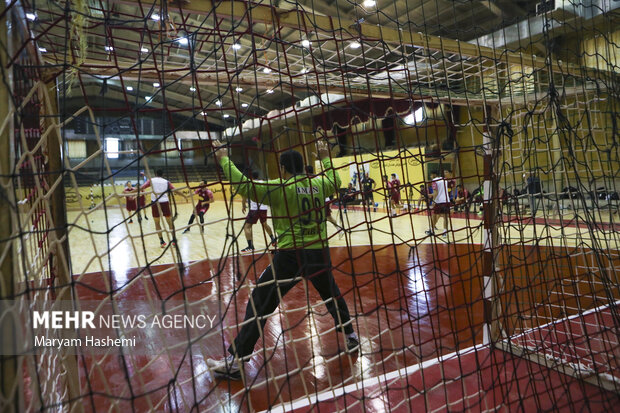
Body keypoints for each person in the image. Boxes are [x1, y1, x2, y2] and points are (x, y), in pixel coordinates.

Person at [207, 140, 358, 379]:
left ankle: (236, 363)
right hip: (319, 252)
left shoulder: (280, 187)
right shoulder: (319, 184)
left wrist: (224, 158)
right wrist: (325, 156)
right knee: (331, 293)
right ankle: (350, 336)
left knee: (260, 301)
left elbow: (244, 187)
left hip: (291, 255)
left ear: (284, 168)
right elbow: (336, 181)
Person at [140, 169, 176, 247]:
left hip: (155, 203)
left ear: (155, 174)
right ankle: (173, 240)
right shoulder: (166, 182)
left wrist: (130, 193)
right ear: (163, 174)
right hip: (165, 202)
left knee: (157, 222)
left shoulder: (151, 180)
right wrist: (185, 195)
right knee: (169, 222)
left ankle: (162, 241)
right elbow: (175, 190)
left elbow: (141, 187)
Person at [240, 172, 276, 252]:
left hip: (254, 209)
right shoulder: (264, 183)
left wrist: (243, 206)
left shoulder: (250, 183)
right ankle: (273, 240)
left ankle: (250, 246)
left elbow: (244, 196)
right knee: (265, 224)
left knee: (247, 227)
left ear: (251, 177)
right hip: (263, 208)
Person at [426, 171, 450, 237]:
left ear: (434, 175)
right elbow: (441, 191)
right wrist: (431, 195)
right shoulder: (445, 180)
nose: (430, 177)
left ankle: (431, 230)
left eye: (431, 175)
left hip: (439, 201)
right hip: (446, 200)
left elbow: (436, 192)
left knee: (434, 216)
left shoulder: (434, 181)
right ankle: (445, 232)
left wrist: (433, 201)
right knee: (445, 217)